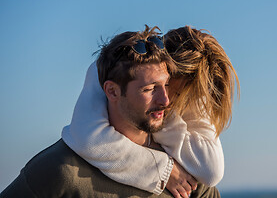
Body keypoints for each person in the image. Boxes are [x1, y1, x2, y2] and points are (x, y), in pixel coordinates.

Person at [1, 26, 220, 198]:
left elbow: (213, 171)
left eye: (166, 86)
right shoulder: (59, 172)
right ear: (112, 91)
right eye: (149, 89)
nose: (166, 100)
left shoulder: (188, 181)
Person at [60, 26, 240, 198]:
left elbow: (211, 171)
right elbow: (89, 137)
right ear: (167, 70)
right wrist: (162, 171)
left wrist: (162, 126)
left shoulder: (195, 84)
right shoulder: (115, 65)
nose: (167, 101)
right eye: (176, 92)